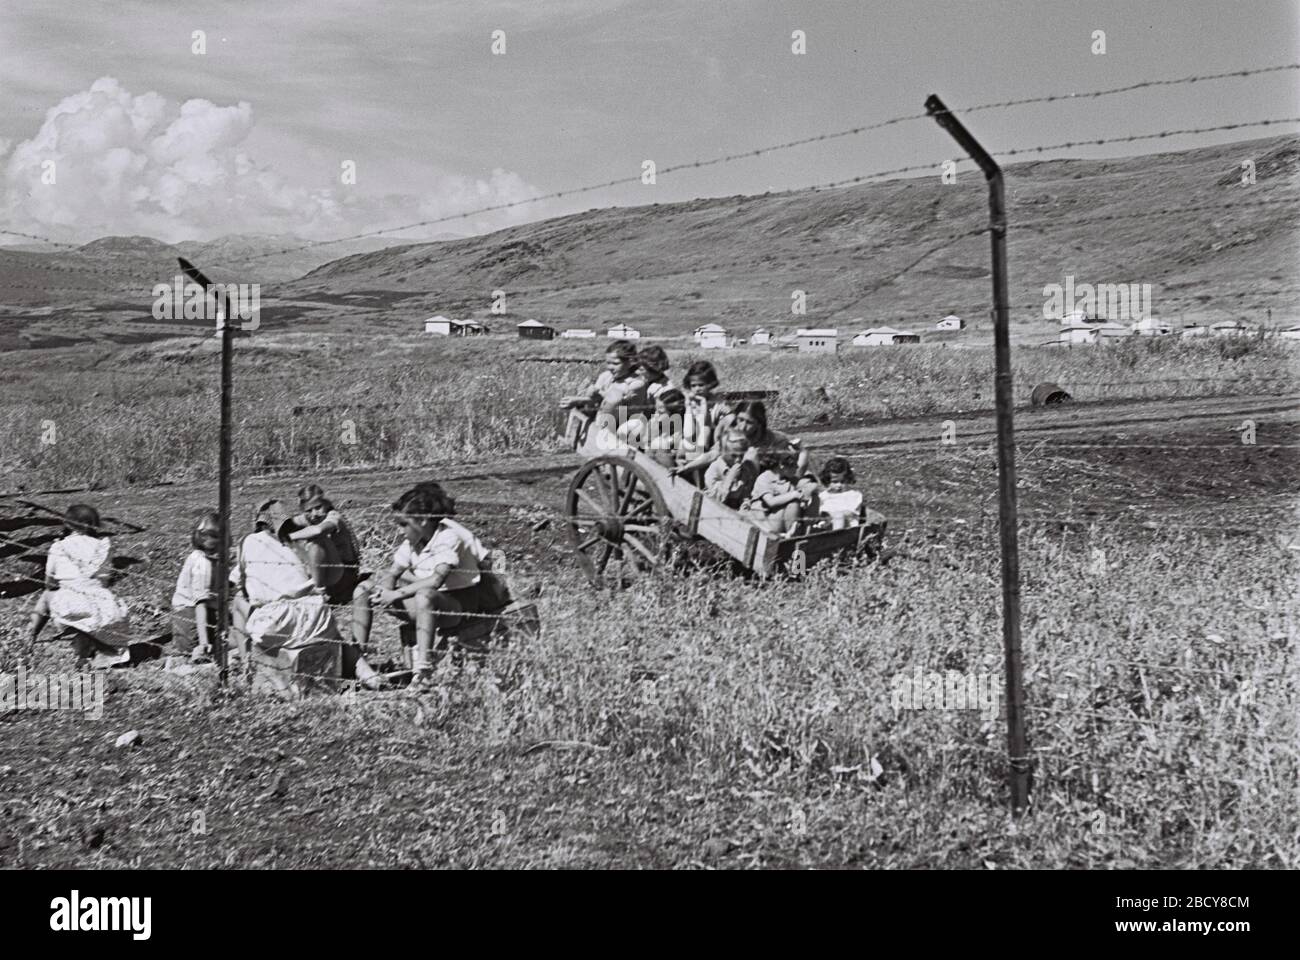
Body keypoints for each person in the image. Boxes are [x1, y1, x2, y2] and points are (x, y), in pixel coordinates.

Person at [363, 482, 506, 691]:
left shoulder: (448, 537)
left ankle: (423, 670)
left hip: (458, 604)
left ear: (422, 520)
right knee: (364, 587)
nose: (400, 531)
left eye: (404, 524)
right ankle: (359, 658)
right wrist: (385, 590)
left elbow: (436, 580)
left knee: (425, 595)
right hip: (430, 605)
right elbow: (392, 572)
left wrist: (395, 595)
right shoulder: (413, 542)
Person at [230, 499, 381, 689]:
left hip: (275, 621)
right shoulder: (297, 545)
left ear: (258, 523)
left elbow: (242, 587)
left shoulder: (246, 543)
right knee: (335, 637)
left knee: (239, 602)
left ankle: (248, 669)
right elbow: (332, 575)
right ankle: (369, 675)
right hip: (315, 616)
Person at [26, 504, 132, 667]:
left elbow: (49, 581)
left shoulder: (59, 546)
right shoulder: (104, 546)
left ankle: (30, 636)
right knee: (90, 606)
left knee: (47, 595)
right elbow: (104, 581)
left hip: (72, 606)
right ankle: (90, 650)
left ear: (67, 524)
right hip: (105, 608)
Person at [285, 484, 370, 645]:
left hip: (345, 574)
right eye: (308, 511)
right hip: (327, 571)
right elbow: (286, 524)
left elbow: (319, 531)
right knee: (294, 546)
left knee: (317, 540)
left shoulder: (333, 516)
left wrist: (287, 536)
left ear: (326, 503)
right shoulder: (308, 517)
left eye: (318, 508)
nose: (314, 514)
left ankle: (318, 592)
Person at [170, 511, 220, 661]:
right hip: (190, 619)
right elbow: (200, 604)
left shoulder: (207, 559)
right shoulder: (202, 564)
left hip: (194, 616)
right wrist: (204, 643)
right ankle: (196, 651)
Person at [745, 449, 820, 536]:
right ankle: (794, 535)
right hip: (765, 520)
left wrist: (807, 495)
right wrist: (794, 494)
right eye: (793, 465)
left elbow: (810, 483)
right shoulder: (765, 478)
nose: (797, 467)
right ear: (782, 465)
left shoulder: (787, 479)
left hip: (780, 518)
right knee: (794, 502)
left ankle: (804, 531)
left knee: (813, 497)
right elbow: (770, 502)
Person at [679, 360, 729, 461]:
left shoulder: (717, 402)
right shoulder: (689, 401)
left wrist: (727, 412)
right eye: (693, 385)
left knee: (705, 430)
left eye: (701, 385)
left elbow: (722, 424)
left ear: (710, 384)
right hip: (690, 437)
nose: (697, 389)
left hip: (709, 440)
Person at [703, 429, 758, 509]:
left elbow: (746, 494)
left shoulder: (744, 470)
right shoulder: (714, 469)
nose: (738, 460)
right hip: (713, 509)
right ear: (721, 451)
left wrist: (745, 504)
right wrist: (730, 478)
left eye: (741, 456)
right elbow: (714, 500)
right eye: (734, 456)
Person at [818, 457, 865, 530]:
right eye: (835, 482)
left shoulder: (854, 495)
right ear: (827, 480)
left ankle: (835, 538)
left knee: (839, 516)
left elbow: (849, 513)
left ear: (848, 479)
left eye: (843, 482)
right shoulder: (823, 496)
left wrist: (831, 514)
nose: (839, 485)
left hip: (847, 528)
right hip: (826, 525)